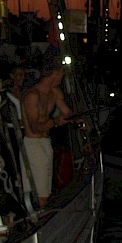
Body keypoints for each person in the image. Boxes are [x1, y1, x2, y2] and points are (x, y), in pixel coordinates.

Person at [21, 54, 76, 208]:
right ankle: (39, 221)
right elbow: (34, 127)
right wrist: (55, 121)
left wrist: (75, 118)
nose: (63, 75)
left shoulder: (55, 92)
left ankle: (42, 216)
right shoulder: (32, 95)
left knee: (46, 188)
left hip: (46, 143)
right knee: (39, 193)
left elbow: (66, 111)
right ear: (55, 72)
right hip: (33, 145)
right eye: (62, 72)